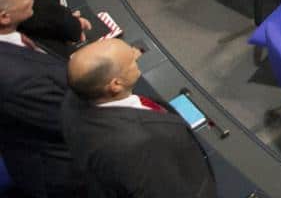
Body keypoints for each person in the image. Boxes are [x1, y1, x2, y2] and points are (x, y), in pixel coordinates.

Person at [62, 38, 217, 198]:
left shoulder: (75, 97)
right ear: (116, 84)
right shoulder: (137, 144)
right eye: (131, 60)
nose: (137, 55)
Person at [0, 0, 84, 198]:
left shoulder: (13, 37)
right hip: (65, 172)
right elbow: (72, 122)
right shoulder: (19, 79)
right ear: (4, 17)